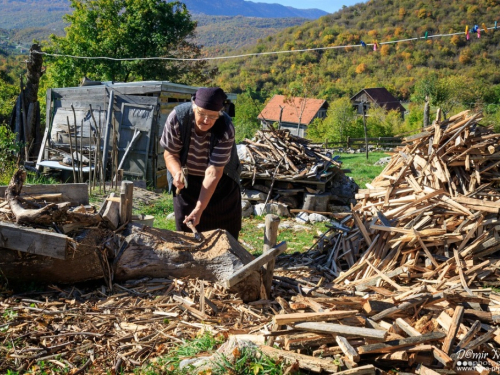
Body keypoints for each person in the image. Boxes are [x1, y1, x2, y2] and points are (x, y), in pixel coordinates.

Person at [160, 87, 242, 239]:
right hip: (188, 181)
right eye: (202, 113)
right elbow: (170, 153)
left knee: (225, 233)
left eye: (212, 116)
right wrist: (177, 172)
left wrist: (199, 208)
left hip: (220, 183)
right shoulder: (178, 118)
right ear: (194, 107)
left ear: (219, 113)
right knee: (186, 231)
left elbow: (213, 171)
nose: (206, 120)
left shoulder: (226, 127)